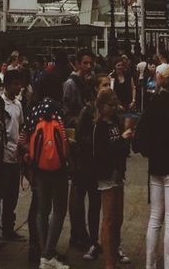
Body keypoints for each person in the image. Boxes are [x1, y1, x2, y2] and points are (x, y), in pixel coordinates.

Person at [135, 64, 169, 269]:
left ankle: (150, 265)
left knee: (154, 219)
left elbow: (143, 134)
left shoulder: (153, 102)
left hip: (155, 164)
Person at [27, 70, 69, 269]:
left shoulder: (34, 107)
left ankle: (45, 253)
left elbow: (26, 135)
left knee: (41, 210)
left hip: (38, 165)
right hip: (58, 165)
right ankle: (48, 253)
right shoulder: (58, 108)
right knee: (59, 208)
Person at [64, 50, 99, 255]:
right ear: (77, 63)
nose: (88, 66)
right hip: (78, 143)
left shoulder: (87, 83)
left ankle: (84, 234)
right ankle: (77, 232)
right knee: (77, 190)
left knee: (85, 189)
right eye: (84, 63)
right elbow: (67, 113)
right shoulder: (70, 84)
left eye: (90, 63)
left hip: (87, 143)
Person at [92, 88, 133, 269]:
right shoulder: (100, 126)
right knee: (108, 219)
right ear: (101, 106)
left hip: (118, 173)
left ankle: (114, 256)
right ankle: (108, 262)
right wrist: (122, 140)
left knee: (118, 217)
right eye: (110, 104)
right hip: (106, 174)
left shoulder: (115, 122)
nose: (114, 107)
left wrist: (125, 139)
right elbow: (101, 154)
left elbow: (122, 151)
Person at [0, 70, 24, 241]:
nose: (19, 87)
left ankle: (8, 227)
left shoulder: (18, 104)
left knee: (12, 195)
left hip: (15, 155)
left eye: (19, 84)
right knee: (0, 192)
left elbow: (20, 127)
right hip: (3, 155)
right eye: (15, 84)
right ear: (6, 85)